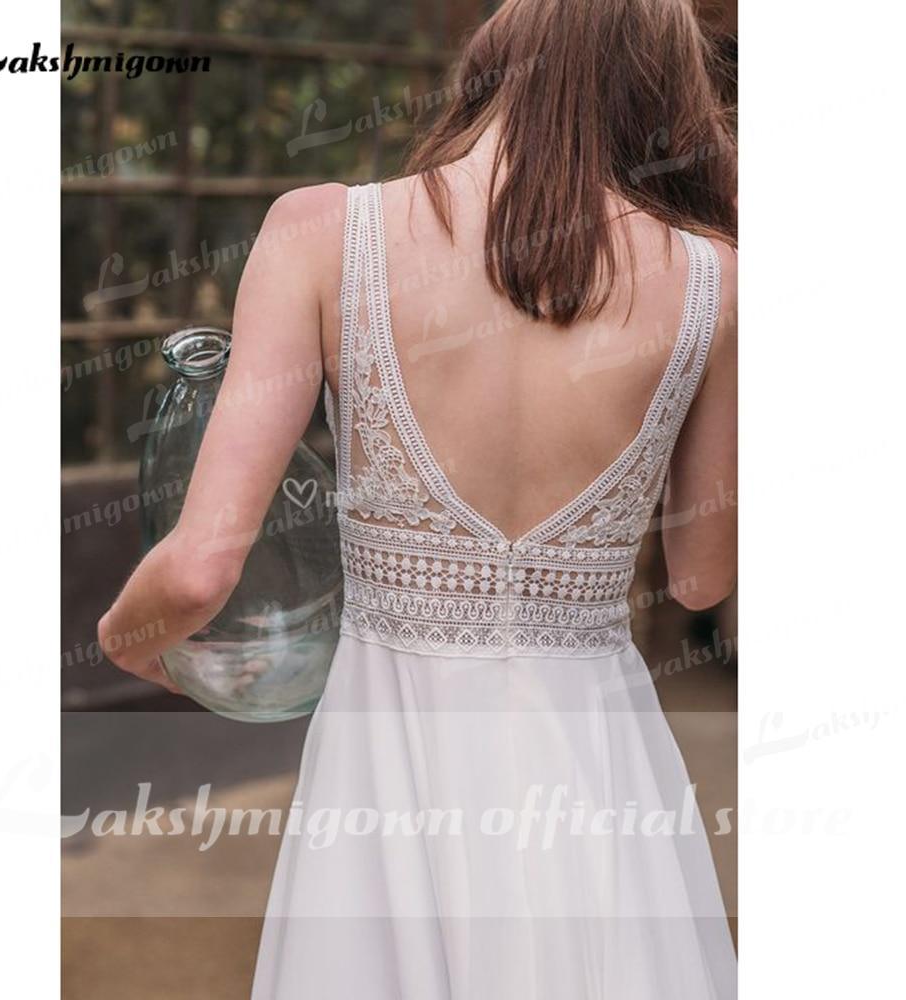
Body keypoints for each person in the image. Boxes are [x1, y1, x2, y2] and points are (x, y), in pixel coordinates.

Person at [99, 0, 737, 995]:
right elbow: (701, 578)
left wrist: (127, 640)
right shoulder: (719, 282)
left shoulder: (320, 233)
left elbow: (197, 570)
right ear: (663, 89)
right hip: (596, 747)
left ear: (495, 56)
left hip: (391, 745)